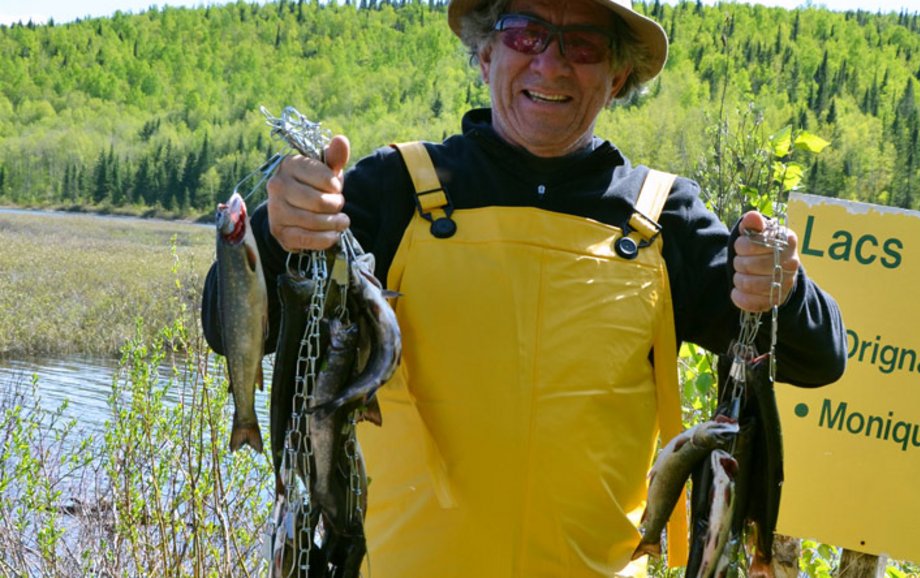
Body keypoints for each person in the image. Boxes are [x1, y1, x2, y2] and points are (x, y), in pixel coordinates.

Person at [201, 0, 846, 576]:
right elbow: (228, 329)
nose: (552, 64)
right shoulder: (393, 188)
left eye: (583, 44)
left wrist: (782, 286)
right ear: (486, 54)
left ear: (617, 77)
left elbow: (818, 357)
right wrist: (281, 230)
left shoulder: (663, 218)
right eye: (526, 33)